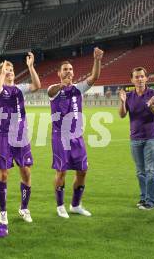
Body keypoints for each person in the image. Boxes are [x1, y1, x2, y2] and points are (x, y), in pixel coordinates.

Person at [47, 47, 104, 218]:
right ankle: (60, 206)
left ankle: (76, 205)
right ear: (59, 73)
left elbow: (94, 78)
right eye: (65, 69)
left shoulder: (78, 89)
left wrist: (97, 60)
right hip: (60, 137)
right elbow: (51, 92)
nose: (68, 72)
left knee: (82, 171)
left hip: (77, 137)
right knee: (61, 172)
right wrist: (61, 85)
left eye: (70, 69)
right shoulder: (54, 89)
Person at [0, 52, 41, 225]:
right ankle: (3, 212)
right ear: (1, 72)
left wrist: (30, 66)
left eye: (11, 69)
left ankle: (24, 208)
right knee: (4, 174)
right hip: (5, 138)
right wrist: (2, 74)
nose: (10, 71)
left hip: (22, 137)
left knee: (26, 172)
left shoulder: (20, 89)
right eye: (6, 69)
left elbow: (36, 85)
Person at [118, 67, 154, 210]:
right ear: (132, 80)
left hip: (151, 139)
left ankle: (151, 202)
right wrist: (121, 101)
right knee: (140, 172)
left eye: (142, 76)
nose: (140, 79)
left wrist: (151, 107)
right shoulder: (129, 96)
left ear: (146, 78)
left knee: (151, 171)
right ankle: (144, 198)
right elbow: (122, 115)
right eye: (136, 77)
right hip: (135, 138)